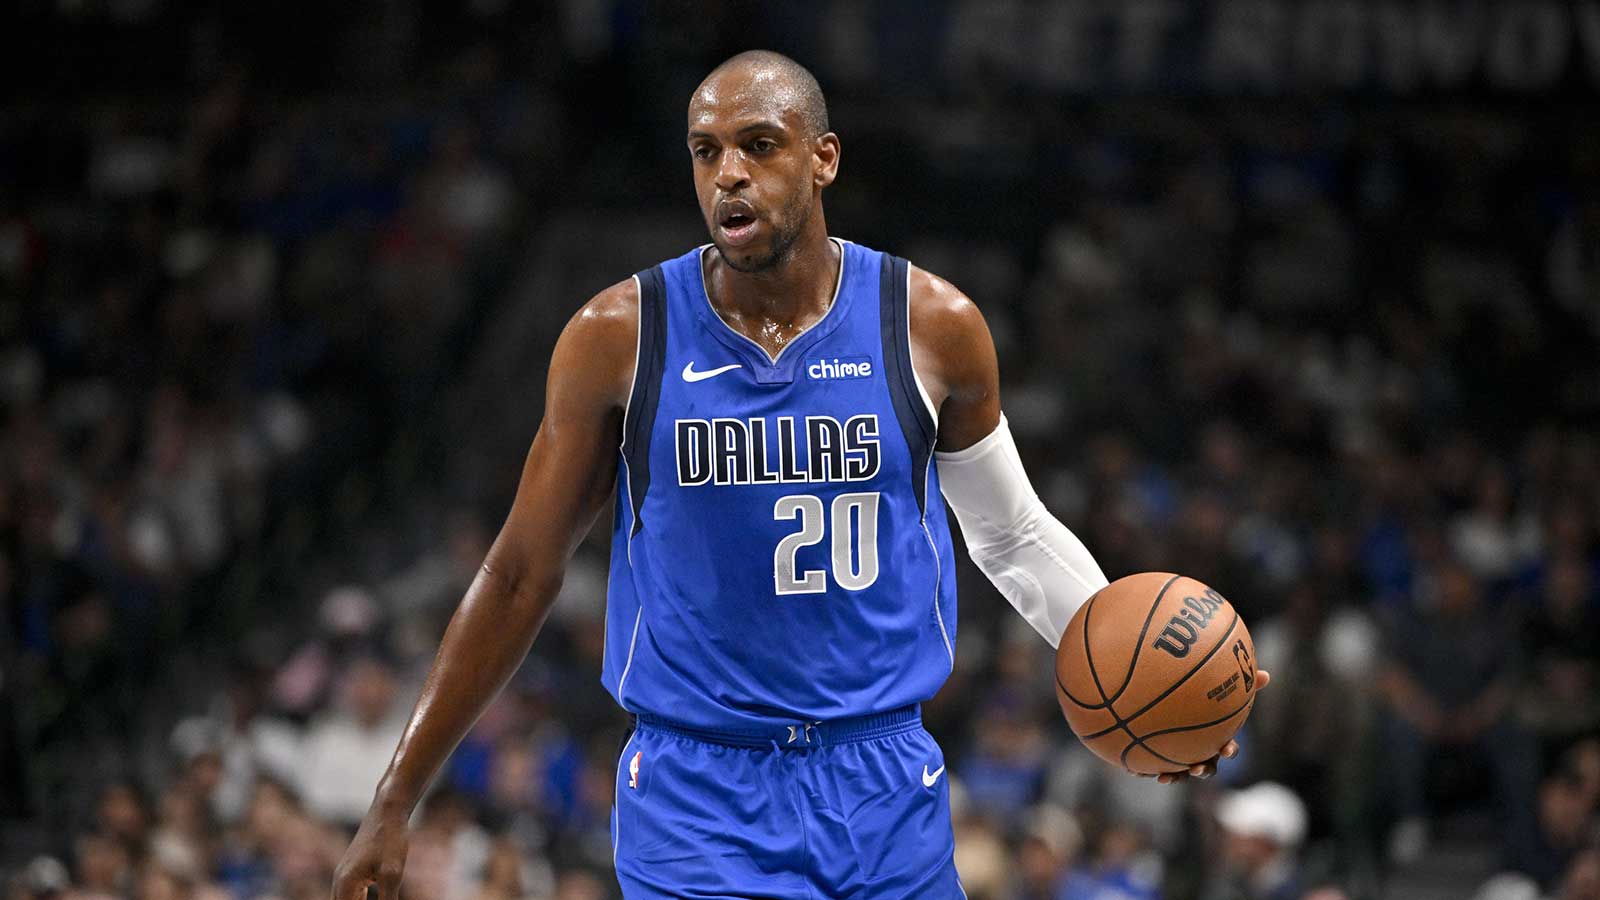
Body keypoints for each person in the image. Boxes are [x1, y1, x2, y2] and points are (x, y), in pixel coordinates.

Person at [330, 50, 1269, 899]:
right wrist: (396, 793)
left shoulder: (931, 325)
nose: (728, 173)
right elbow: (519, 574)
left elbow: (1011, 533)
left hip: (884, 781)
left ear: (823, 159)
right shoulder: (618, 337)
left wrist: (1158, 683)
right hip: (698, 792)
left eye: (759, 144)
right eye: (705, 152)